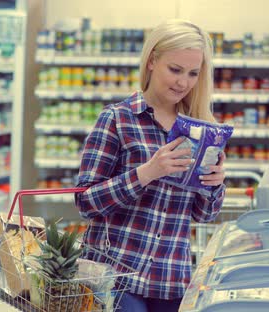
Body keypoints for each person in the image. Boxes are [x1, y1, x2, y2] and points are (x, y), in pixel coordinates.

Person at [75, 19, 226, 312]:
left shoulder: (201, 131)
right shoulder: (117, 119)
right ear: (153, 60)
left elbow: (204, 214)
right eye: (175, 69)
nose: (183, 82)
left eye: (193, 73)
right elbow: (85, 202)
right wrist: (147, 172)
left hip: (170, 281)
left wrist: (214, 184)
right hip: (115, 277)